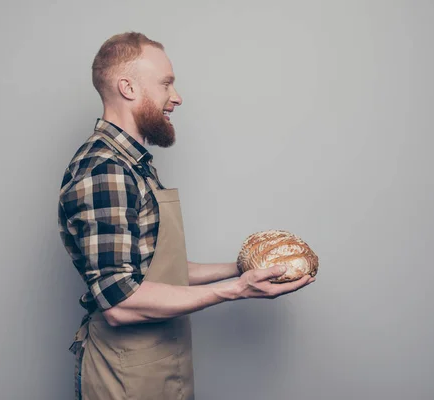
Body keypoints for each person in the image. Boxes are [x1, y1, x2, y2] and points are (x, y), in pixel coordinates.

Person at [57, 31, 315, 400]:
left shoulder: (134, 164)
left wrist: (244, 267)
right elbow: (119, 301)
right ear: (127, 87)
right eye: (166, 84)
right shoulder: (105, 169)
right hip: (124, 373)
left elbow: (159, 269)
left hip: (159, 361)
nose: (176, 98)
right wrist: (237, 291)